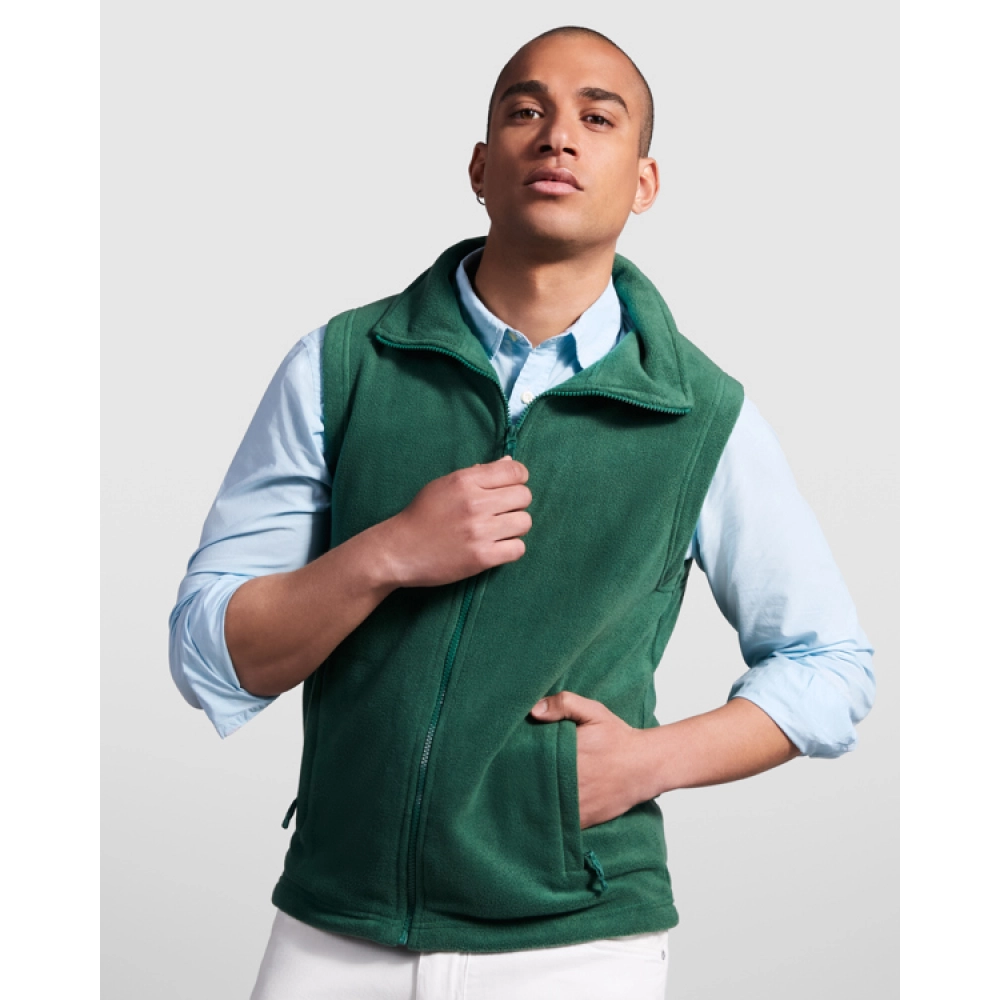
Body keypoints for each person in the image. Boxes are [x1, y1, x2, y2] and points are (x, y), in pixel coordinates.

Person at [168, 25, 875, 1000]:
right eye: (525, 110)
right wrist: (387, 552)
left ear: (644, 182)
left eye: (598, 117)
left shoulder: (701, 414)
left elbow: (829, 664)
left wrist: (649, 762)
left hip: (577, 938)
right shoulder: (339, 366)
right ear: (478, 166)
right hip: (335, 923)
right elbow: (213, 651)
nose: (557, 136)